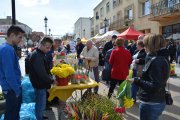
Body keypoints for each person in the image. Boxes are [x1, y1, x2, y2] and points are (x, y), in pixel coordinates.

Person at [128, 34, 170, 120]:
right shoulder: (161, 57)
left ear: (150, 45)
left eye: (145, 45)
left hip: (151, 102)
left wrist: (137, 81)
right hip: (157, 100)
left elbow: (154, 86)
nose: (144, 47)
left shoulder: (156, 60)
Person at [0, 25, 25, 120]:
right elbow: (9, 74)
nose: (20, 39)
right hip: (11, 89)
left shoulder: (6, 48)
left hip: (10, 88)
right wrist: (17, 90)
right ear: (12, 35)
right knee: (12, 115)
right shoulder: (7, 49)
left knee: (12, 114)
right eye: (19, 37)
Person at [29, 37, 54, 120]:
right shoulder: (37, 55)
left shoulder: (40, 53)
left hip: (40, 83)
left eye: (50, 48)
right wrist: (52, 80)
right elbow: (42, 74)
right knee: (40, 104)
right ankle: (39, 118)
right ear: (41, 45)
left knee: (40, 104)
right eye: (47, 47)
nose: (48, 50)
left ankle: (40, 116)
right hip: (39, 84)